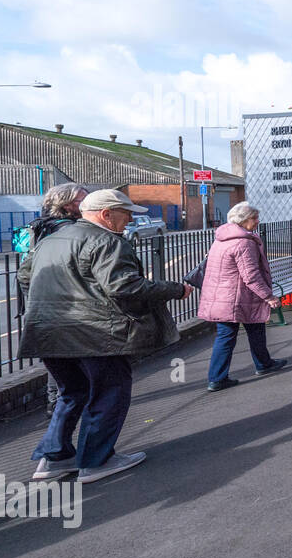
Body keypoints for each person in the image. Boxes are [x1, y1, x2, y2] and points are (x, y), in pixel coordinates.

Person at [17, 189, 191, 483]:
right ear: (106, 214)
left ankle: (55, 458)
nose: (129, 221)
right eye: (126, 214)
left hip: (47, 333)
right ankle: (96, 461)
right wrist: (175, 289)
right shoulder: (107, 241)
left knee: (72, 393)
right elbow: (125, 288)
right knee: (110, 393)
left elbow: (25, 277)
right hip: (95, 335)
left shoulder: (50, 240)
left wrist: (54, 305)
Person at [16, 183, 88, 415]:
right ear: (67, 205)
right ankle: (61, 403)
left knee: (55, 357)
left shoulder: (40, 227)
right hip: (65, 304)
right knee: (69, 358)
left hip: (41, 302)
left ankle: (56, 400)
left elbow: (25, 274)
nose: (86, 204)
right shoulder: (67, 231)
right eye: (81, 200)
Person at [199, 202, 286, 392]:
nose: (257, 221)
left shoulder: (221, 239)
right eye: (254, 218)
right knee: (247, 332)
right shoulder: (244, 242)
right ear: (243, 220)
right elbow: (251, 276)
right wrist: (269, 297)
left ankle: (219, 377)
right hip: (237, 298)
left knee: (232, 334)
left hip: (223, 297)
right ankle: (257, 366)